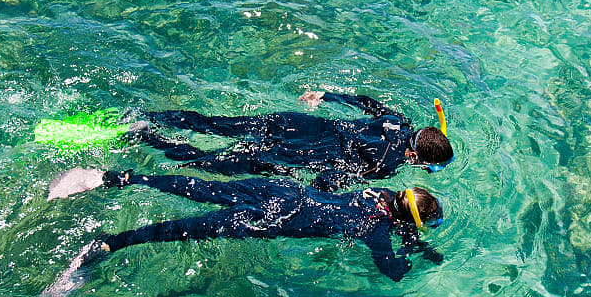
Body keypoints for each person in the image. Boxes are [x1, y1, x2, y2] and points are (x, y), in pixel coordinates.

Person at [41, 167, 444, 297]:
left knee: (199, 187)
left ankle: (114, 178)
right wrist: (418, 253)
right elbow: (391, 270)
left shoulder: (377, 195)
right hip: (274, 217)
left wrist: (411, 233)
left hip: (283, 191)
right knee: (185, 231)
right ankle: (109, 244)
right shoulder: (376, 229)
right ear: (406, 221)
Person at [128, 91, 453, 191]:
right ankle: (145, 135)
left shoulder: (399, 121)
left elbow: (367, 102)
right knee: (206, 162)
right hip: (293, 152)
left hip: (294, 122)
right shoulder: (386, 165)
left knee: (215, 126)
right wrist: (304, 187)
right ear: (414, 156)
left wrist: (326, 95)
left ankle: (152, 116)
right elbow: (334, 178)